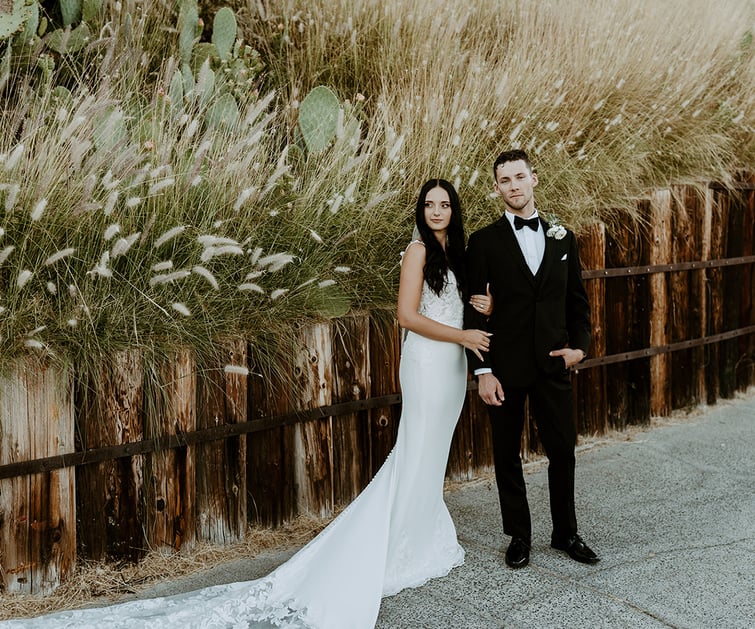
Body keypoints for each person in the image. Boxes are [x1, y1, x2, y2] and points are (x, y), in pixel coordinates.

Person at [2, 179, 492, 629]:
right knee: (415, 448)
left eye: (444, 205)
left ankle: (423, 527)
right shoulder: (415, 252)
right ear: (420, 210)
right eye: (428, 204)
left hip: (453, 366)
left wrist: (479, 312)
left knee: (433, 452)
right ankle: (397, 545)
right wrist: (463, 333)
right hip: (428, 363)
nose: (436, 211)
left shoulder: (458, 253)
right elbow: (406, 317)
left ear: (455, 211)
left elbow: (453, 304)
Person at [464, 149, 599, 570]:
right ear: (496, 188)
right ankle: (518, 536)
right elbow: (472, 309)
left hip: (553, 363)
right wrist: (482, 371)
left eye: (520, 177)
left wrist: (579, 348)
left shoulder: (564, 237)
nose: (514, 186)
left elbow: (577, 301)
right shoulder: (483, 241)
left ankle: (565, 533)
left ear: (534, 179)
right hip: (503, 367)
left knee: (563, 450)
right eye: (505, 181)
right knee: (507, 454)